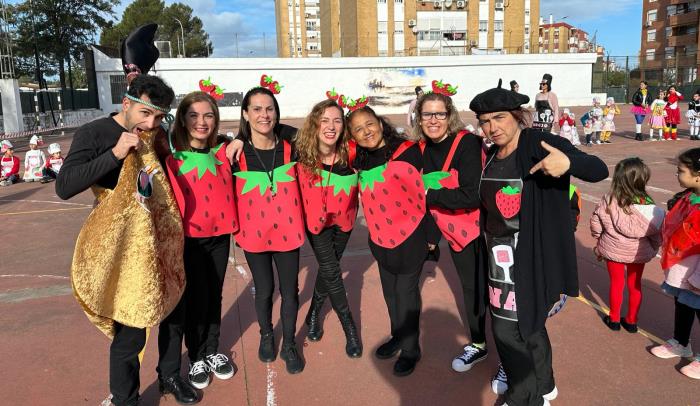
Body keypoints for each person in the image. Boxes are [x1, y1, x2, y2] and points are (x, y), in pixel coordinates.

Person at [56, 25, 197, 406]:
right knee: (132, 329)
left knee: (174, 310)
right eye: (145, 113)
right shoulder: (95, 133)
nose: (151, 124)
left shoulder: (157, 134)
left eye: (158, 117)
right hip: (124, 246)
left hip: (164, 237)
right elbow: (64, 186)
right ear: (126, 102)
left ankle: (169, 377)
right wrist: (116, 154)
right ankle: (126, 398)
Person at [470, 79, 608, 406]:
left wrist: (569, 163)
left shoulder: (536, 142)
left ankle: (525, 397)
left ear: (517, 116)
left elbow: (597, 168)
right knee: (526, 328)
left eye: (499, 118)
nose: (492, 127)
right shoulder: (489, 155)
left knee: (511, 331)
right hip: (498, 258)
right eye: (485, 121)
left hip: (531, 258)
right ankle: (545, 385)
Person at [165, 91, 239, 389]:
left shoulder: (223, 153)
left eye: (208, 115)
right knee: (196, 298)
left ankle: (212, 350)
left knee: (215, 295)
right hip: (190, 240)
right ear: (183, 119)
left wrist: (241, 140)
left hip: (220, 237)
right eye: (194, 115)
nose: (202, 121)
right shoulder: (171, 159)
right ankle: (196, 355)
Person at [347, 105, 428, 376]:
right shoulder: (360, 160)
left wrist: (431, 237)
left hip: (411, 237)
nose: (366, 131)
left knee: (406, 295)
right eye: (358, 129)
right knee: (390, 294)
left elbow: (426, 192)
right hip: (380, 239)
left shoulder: (407, 151)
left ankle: (411, 349)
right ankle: (398, 336)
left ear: (380, 124)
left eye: (369, 124)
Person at [232, 86, 306, 374]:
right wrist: (239, 137)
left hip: (288, 233)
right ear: (245, 114)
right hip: (253, 236)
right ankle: (266, 334)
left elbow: (306, 135)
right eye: (257, 109)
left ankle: (289, 343)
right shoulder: (234, 152)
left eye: (269, 109)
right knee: (264, 289)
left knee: (290, 290)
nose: (264, 115)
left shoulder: (292, 147)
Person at [412, 91, 488, 373]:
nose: (433, 120)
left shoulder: (467, 143)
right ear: (418, 118)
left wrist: (428, 194)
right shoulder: (418, 149)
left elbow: (471, 196)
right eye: (427, 114)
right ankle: (479, 345)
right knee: (471, 288)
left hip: (483, 229)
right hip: (454, 232)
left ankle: (512, 354)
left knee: (498, 291)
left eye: (439, 114)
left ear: (450, 115)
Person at [295, 99, 362, 358]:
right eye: (324, 120)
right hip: (316, 224)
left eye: (337, 120)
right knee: (333, 272)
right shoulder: (300, 152)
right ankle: (350, 328)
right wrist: (239, 139)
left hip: (344, 220)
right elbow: (271, 130)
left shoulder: (353, 152)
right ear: (315, 124)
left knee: (327, 268)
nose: (331, 126)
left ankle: (313, 313)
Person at [590, 158, 664, 332]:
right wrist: (653, 247)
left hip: (613, 248)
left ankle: (614, 319)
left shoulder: (609, 200)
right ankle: (631, 321)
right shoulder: (651, 207)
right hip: (638, 253)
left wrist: (598, 238)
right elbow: (657, 233)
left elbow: (596, 221)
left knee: (616, 283)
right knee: (635, 285)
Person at [650, 148, 700, 380]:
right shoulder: (688, 197)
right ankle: (681, 342)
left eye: (681, 171)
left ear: (698, 175)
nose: (677, 175)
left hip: (697, 269)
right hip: (683, 267)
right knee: (683, 304)